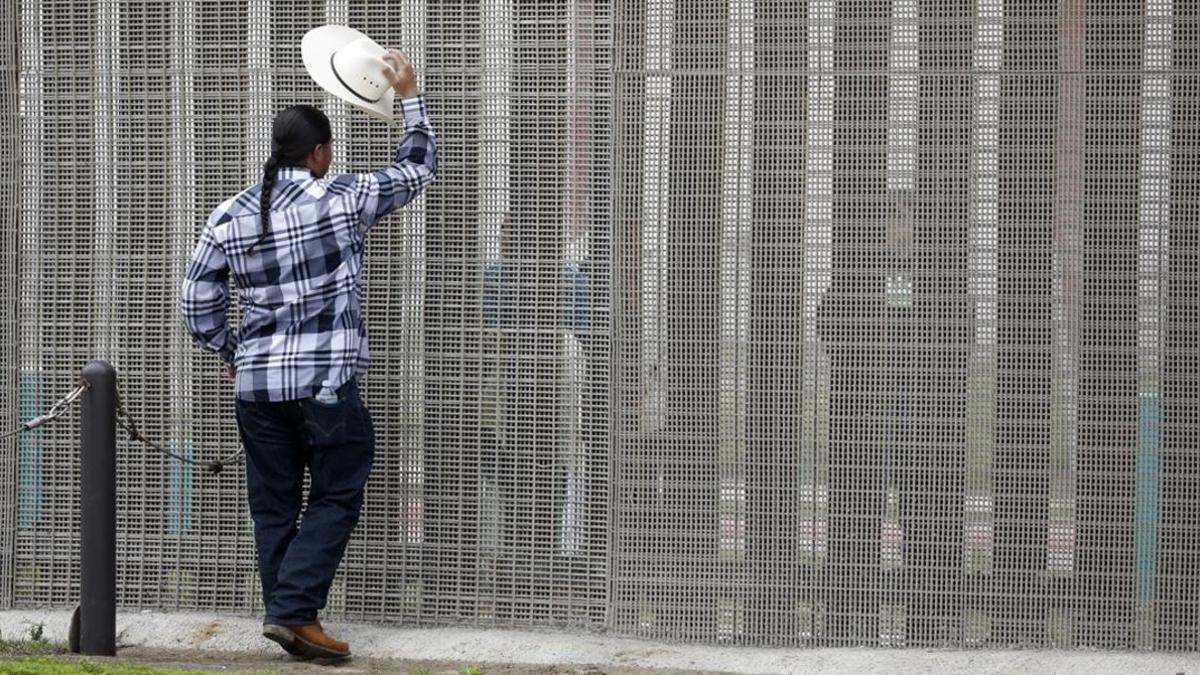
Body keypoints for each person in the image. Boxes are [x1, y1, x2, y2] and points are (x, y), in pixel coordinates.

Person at [180, 49, 437, 659]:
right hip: (325, 383)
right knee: (338, 492)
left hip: (258, 389)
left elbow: (195, 298)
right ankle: (295, 611)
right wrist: (408, 96)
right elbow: (416, 168)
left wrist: (232, 348)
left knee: (272, 507)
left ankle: (289, 620)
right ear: (319, 154)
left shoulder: (229, 215)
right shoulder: (342, 198)